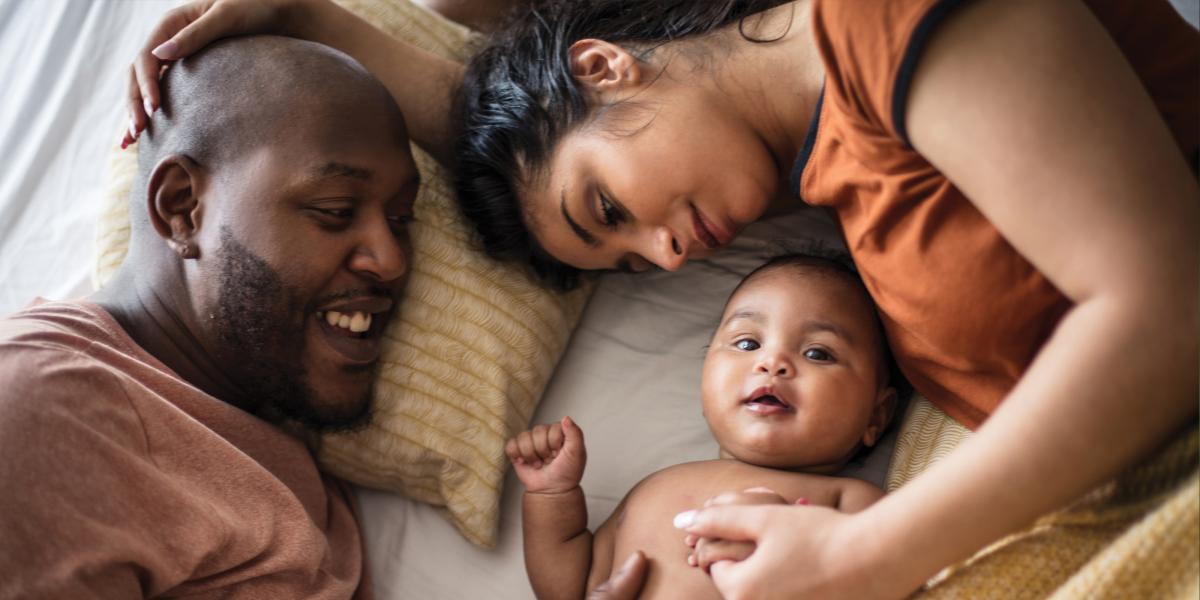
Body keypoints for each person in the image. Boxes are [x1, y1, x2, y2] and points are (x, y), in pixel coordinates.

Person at [125, 0, 1199, 597]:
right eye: (632, 264)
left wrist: (874, 555)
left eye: (611, 213)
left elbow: (1168, 311)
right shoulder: (804, 159)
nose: (667, 255)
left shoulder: (880, 19)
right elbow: (519, 124)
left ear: (607, 63)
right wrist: (309, 13)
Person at [507, 254, 903, 599]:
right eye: (748, 344)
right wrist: (552, 497)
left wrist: (790, 536)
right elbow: (571, 588)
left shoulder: (853, 503)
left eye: (818, 353)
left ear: (875, 416)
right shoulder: (654, 489)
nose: (772, 363)